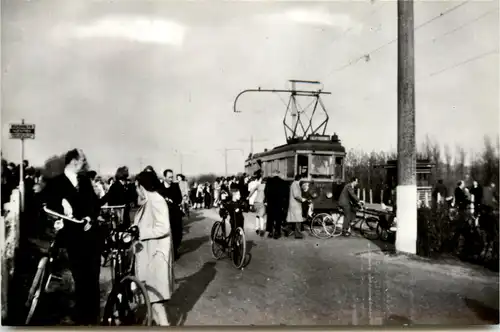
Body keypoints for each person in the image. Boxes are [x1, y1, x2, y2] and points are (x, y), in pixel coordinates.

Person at [42, 148, 102, 325]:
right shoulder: (56, 183)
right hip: (71, 237)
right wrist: (60, 209)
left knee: (93, 276)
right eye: (83, 160)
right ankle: (82, 316)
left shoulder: (84, 181)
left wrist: (90, 217)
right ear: (74, 162)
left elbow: (94, 204)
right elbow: (46, 205)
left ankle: (94, 317)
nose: (84, 163)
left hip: (90, 235)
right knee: (80, 277)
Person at [133, 171, 174, 326]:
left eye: (137, 186)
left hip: (156, 254)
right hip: (149, 252)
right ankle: (155, 321)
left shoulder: (156, 200)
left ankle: (164, 325)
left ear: (141, 186)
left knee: (155, 297)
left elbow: (163, 227)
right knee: (149, 294)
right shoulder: (148, 200)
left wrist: (140, 233)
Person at [160, 169, 183, 260]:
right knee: (167, 233)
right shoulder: (160, 188)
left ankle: (175, 248)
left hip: (175, 213)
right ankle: (170, 252)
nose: (171, 179)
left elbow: (179, 199)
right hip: (164, 214)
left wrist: (172, 201)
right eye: (169, 177)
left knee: (178, 234)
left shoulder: (175, 186)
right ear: (164, 177)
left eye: (172, 177)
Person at [264, 169, 288, 239]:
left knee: (270, 218)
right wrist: (284, 204)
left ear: (273, 174)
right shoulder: (283, 182)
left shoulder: (269, 182)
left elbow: (266, 192)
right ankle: (277, 232)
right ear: (278, 174)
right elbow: (286, 194)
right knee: (278, 218)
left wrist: (267, 200)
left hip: (271, 203)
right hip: (279, 203)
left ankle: (270, 232)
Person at [286, 174, 306, 239]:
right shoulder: (295, 185)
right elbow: (296, 195)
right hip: (295, 205)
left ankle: (287, 231)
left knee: (294, 219)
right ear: (300, 179)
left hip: (294, 204)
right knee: (298, 220)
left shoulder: (294, 184)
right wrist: (302, 199)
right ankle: (298, 235)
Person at [248, 171, 266, 236]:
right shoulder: (266, 186)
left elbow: (252, 190)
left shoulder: (258, 185)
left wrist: (248, 197)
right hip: (261, 202)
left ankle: (256, 228)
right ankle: (261, 229)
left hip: (255, 202)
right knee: (261, 216)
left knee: (257, 215)